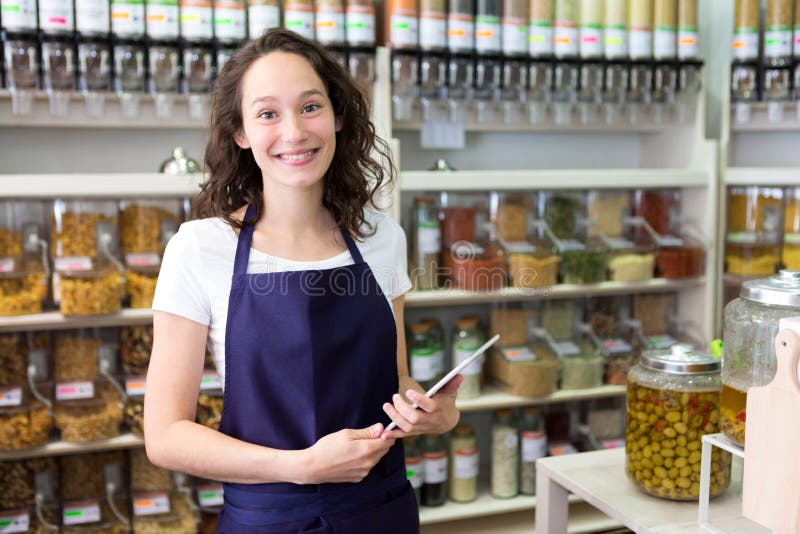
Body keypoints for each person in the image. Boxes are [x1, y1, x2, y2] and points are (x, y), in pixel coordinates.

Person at [144, 28, 462, 533]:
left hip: (381, 512)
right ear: (241, 133)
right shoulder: (200, 248)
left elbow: (394, 379)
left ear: (337, 116)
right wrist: (300, 467)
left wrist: (436, 414)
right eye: (268, 113)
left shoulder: (382, 237)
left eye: (310, 107)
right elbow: (164, 436)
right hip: (269, 521)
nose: (294, 132)